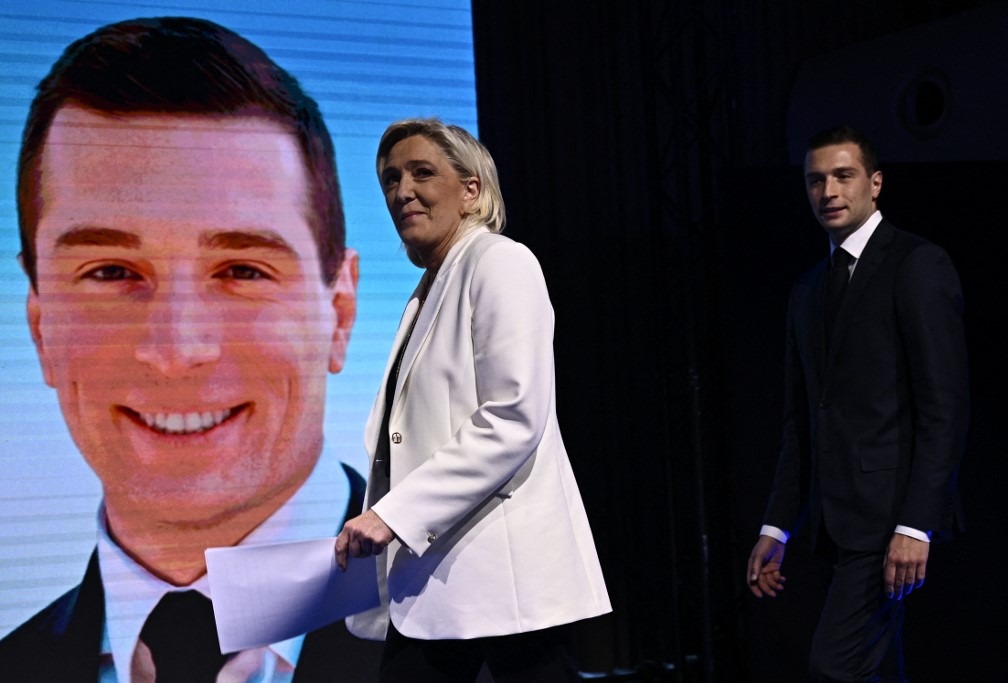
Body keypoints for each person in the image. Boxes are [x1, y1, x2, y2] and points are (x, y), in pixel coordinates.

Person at [0, 16, 380, 681]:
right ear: (41, 328)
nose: (176, 349)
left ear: (340, 312)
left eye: (241, 270)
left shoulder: (497, 641)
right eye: (112, 272)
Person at [333, 119, 611, 681]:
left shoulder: (500, 262)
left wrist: (394, 515)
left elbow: (512, 418)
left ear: (471, 190)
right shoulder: (430, 289)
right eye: (390, 178)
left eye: (421, 173)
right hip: (438, 574)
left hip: (499, 571)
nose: (401, 190)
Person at [746, 125, 969, 681]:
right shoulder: (808, 289)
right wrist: (776, 528)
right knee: (873, 670)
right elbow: (804, 422)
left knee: (835, 665)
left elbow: (944, 405)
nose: (829, 191)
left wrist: (916, 524)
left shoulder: (915, 264)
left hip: (890, 517)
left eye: (843, 176)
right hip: (837, 521)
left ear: (874, 183)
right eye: (816, 180)